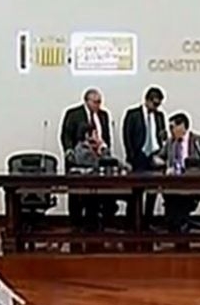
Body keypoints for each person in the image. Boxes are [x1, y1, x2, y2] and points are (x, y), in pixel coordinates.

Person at [60, 88, 112, 229]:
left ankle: (92, 223)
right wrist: (69, 152)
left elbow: (106, 136)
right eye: (96, 102)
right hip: (77, 160)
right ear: (87, 101)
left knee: (95, 193)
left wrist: (105, 151)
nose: (98, 105)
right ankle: (75, 223)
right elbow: (66, 135)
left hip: (97, 160)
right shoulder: (73, 114)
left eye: (100, 102)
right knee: (76, 194)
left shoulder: (103, 115)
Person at [158, 112, 200, 232]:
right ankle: (177, 225)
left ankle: (178, 224)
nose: (170, 131)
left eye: (172, 127)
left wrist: (197, 167)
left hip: (194, 183)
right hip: (174, 183)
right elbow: (160, 157)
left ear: (182, 126)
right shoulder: (170, 142)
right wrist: (159, 162)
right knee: (172, 196)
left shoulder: (199, 141)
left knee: (179, 200)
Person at [123, 86, 168, 228]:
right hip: (138, 157)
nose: (156, 107)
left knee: (152, 192)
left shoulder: (160, 116)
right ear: (147, 100)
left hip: (155, 157)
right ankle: (133, 222)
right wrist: (130, 157)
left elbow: (162, 135)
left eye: (159, 104)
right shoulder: (133, 114)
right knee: (136, 192)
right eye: (154, 103)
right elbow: (127, 137)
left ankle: (148, 221)